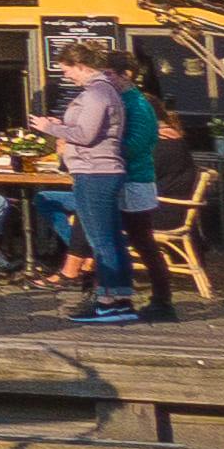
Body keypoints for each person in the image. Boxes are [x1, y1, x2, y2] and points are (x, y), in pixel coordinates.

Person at [56, 31, 157, 323]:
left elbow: (91, 136)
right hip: (107, 173)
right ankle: (113, 297)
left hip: (103, 172)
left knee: (105, 240)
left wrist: (53, 129)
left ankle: (111, 301)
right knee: (107, 238)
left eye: (67, 70)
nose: (66, 76)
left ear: (80, 65)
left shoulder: (104, 94)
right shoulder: (115, 95)